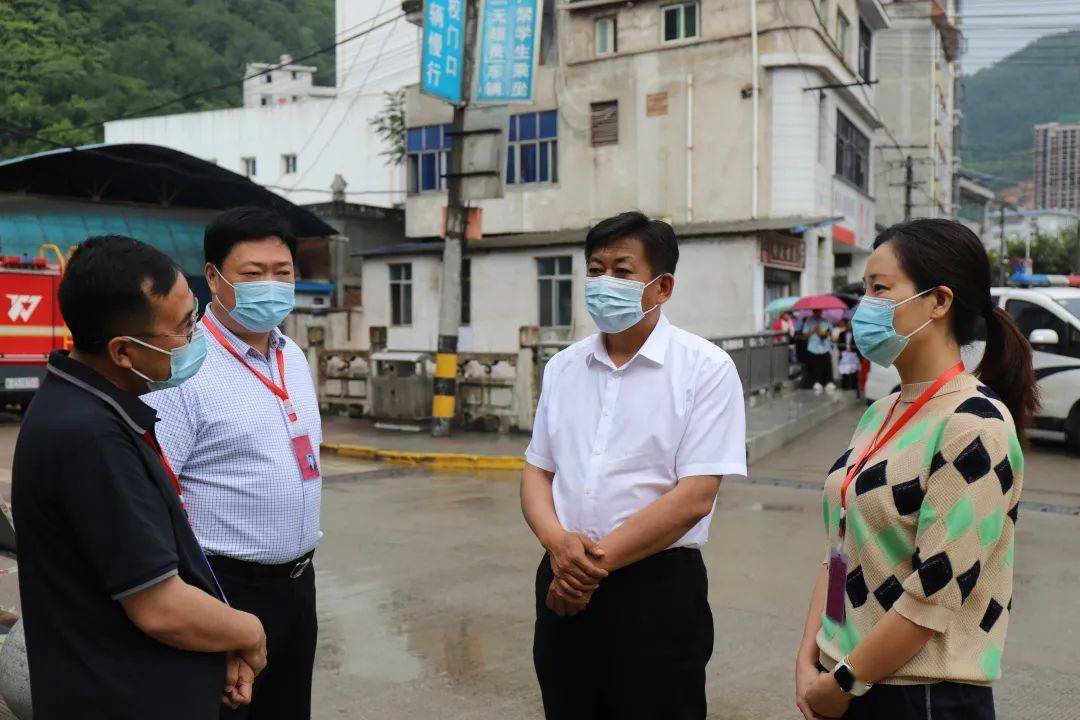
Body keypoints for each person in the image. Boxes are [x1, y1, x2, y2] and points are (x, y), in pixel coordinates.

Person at [12, 236, 267, 718]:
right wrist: (249, 631)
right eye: (183, 327)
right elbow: (160, 607)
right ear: (124, 351)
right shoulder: (90, 437)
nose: (196, 337)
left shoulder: (86, 406)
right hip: (121, 698)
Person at [793, 219, 1038, 720]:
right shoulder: (882, 411)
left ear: (939, 301)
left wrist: (842, 682)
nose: (866, 306)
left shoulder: (975, 426)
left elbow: (935, 594)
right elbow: (841, 549)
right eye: (864, 291)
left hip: (922, 695)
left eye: (880, 289)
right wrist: (811, 654)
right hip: (849, 677)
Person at [520, 212, 747, 719]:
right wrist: (559, 547)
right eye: (595, 269)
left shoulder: (705, 369)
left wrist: (585, 569)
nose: (605, 283)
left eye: (622, 271)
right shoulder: (563, 368)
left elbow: (695, 496)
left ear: (661, 286)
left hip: (654, 589)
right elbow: (538, 470)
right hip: (561, 579)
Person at [145, 208, 321, 720]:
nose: (272, 284)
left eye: (282, 272)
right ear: (213, 278)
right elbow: (161, 500)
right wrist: (204, 613)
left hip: (298, 584)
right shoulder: (185, 369)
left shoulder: (294, 356)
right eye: (253, 273)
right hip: (222, 589)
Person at [805, 309, 836, 392]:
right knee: (815, 367)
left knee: (827, 365)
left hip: (824, 348)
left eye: (819, 311)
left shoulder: (826, 321)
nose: (817, 313)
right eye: (815, 311)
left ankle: (828, 382)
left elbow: (829, 333)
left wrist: (825, 333)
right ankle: (816, 382)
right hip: (813, 348)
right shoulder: (808, 321)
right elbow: (805, 335)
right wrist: (814, 330)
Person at [834, 317, 861, 393]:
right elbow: (838, 344)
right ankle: (845, 388)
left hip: (853, 355)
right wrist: (843, 351)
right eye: (848, 324)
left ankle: (854, 389)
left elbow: (858, 345)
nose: (849, 326)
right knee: (845, 373)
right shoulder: (841, 333)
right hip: (844, 355)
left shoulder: (855, 334)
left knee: (853, 373)